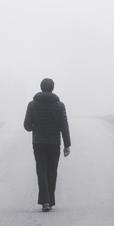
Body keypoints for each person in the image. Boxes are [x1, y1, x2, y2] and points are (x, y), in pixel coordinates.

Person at [23, 78, 71, 212]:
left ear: (41, 87)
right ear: (52, 88)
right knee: (52, 171)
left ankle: (45, 202)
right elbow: (64, 126)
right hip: (54, 143)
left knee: (41, 171)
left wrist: (35, 125)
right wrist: (67, 145)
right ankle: (50, 200)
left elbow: (27, 126)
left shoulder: (32, 105)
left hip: (38, 143)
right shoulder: (59, 105)